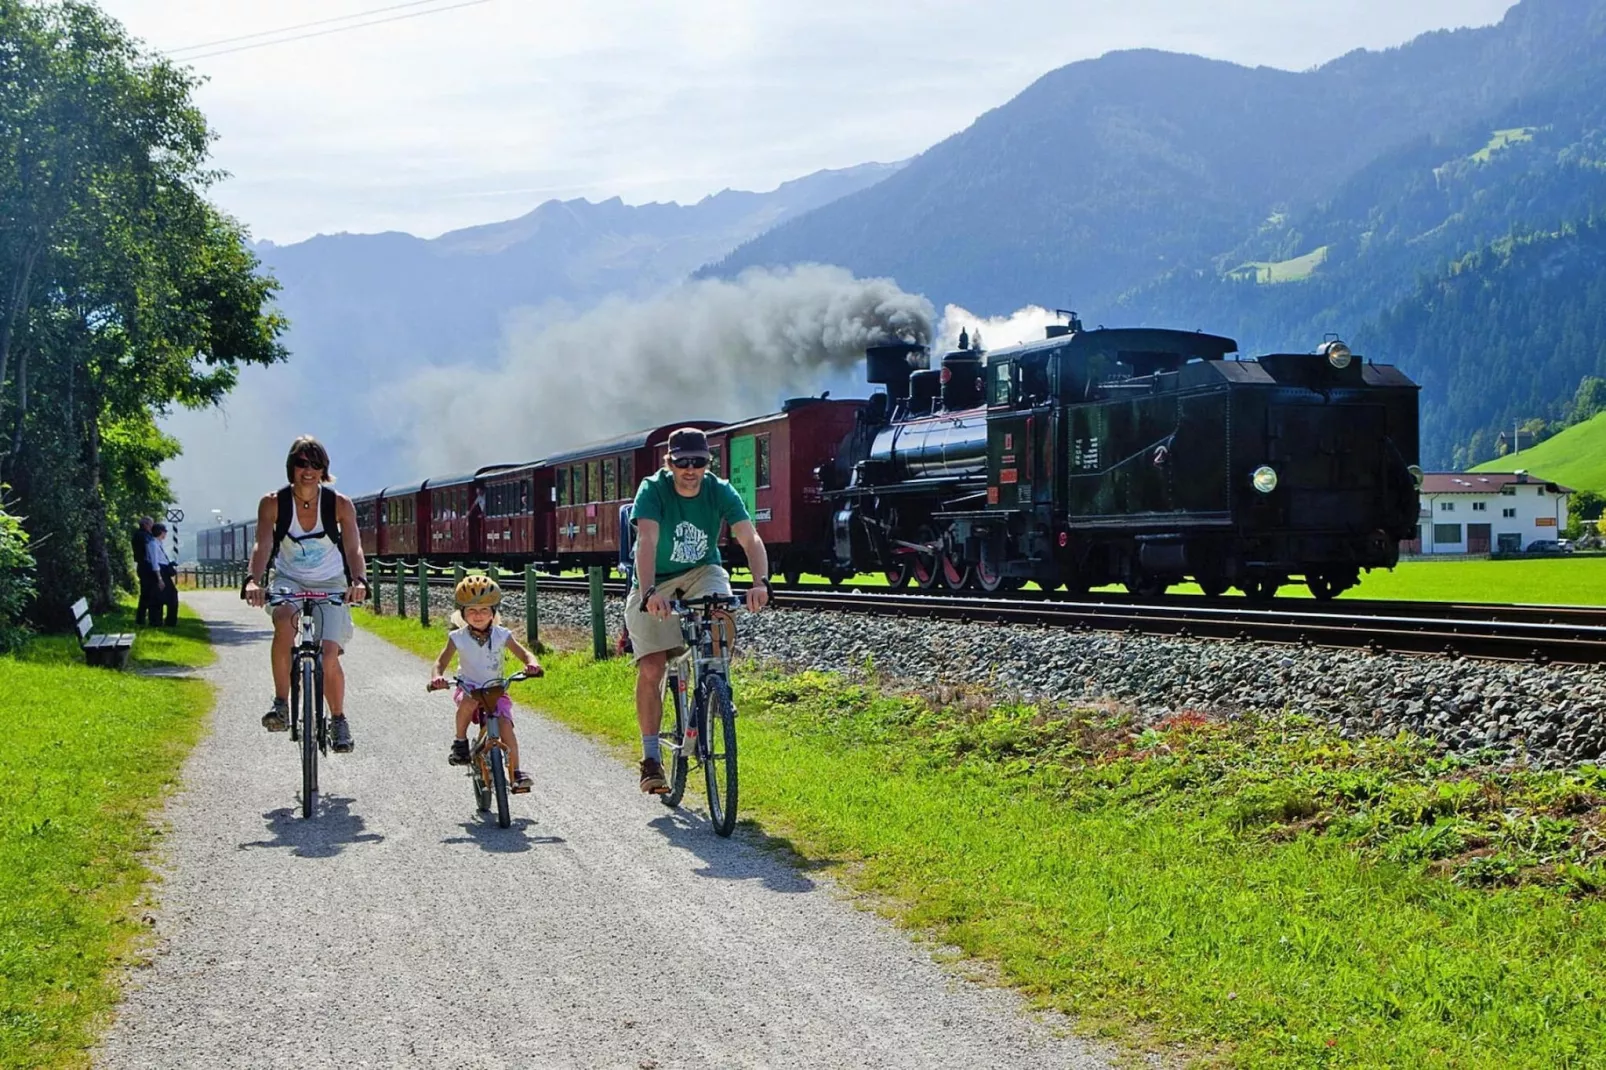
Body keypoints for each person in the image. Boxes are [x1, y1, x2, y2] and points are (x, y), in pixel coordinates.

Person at [626, 427, 770, 794]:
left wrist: (760, 582)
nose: (690, 470)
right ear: (669, 462)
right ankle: (651, 759)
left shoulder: (719, 490)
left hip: (702, 572)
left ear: (709, 463)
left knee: (722, 612)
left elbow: (749, 536)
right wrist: (649, 593)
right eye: (682, 462)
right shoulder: (653, 489)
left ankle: (718, 686)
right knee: (653, 666)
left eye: (699, 462)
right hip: (656, 577)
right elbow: (646, 540)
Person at [243, 436, 369, 752]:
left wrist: (360, 580)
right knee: (284, 621)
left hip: (330, 583)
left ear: (324, 470)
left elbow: (353, 547)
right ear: (292, 467)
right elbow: (263, 544)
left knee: (328, 656)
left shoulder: (339, 504)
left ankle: (338, 719)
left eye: (315, 464)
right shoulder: (273, 503)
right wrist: (253, 581)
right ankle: (281, 702)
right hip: (289, 580)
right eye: (302, 463)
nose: (308, 470)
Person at [428, 575, 543, 791]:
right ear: (462, 613)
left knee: (506, 727)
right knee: (469, 702)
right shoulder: (457, 637)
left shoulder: (502, 635)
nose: (478, 615)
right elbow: (440, 663)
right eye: (471, 610)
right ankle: (460, 742)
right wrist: (437, 677)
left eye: (484, 610)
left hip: (496, 690)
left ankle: (516, 773)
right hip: (469, 688)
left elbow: (525, 654)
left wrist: (532, 664)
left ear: (494, 612)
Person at [133, 515, 161, 626]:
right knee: (149, 595)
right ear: (145, 525)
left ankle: (142, 619)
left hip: (142, 566)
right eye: (151, 524)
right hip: (147, 568)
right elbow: (150, 554)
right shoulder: (146, 537)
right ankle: (147, 619)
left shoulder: (138, 535)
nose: (152, 527)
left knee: (146, 594)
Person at [150, 523, 179, 627]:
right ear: (160, 532)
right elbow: (155, 562)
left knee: (165, 596)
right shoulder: (153, 544)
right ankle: (166, 621)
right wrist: (159, 578)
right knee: (169, 595)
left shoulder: (159, 543)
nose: (165, 533)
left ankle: (166, 621)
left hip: (164, 570)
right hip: (160, 572)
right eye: (164, 531)